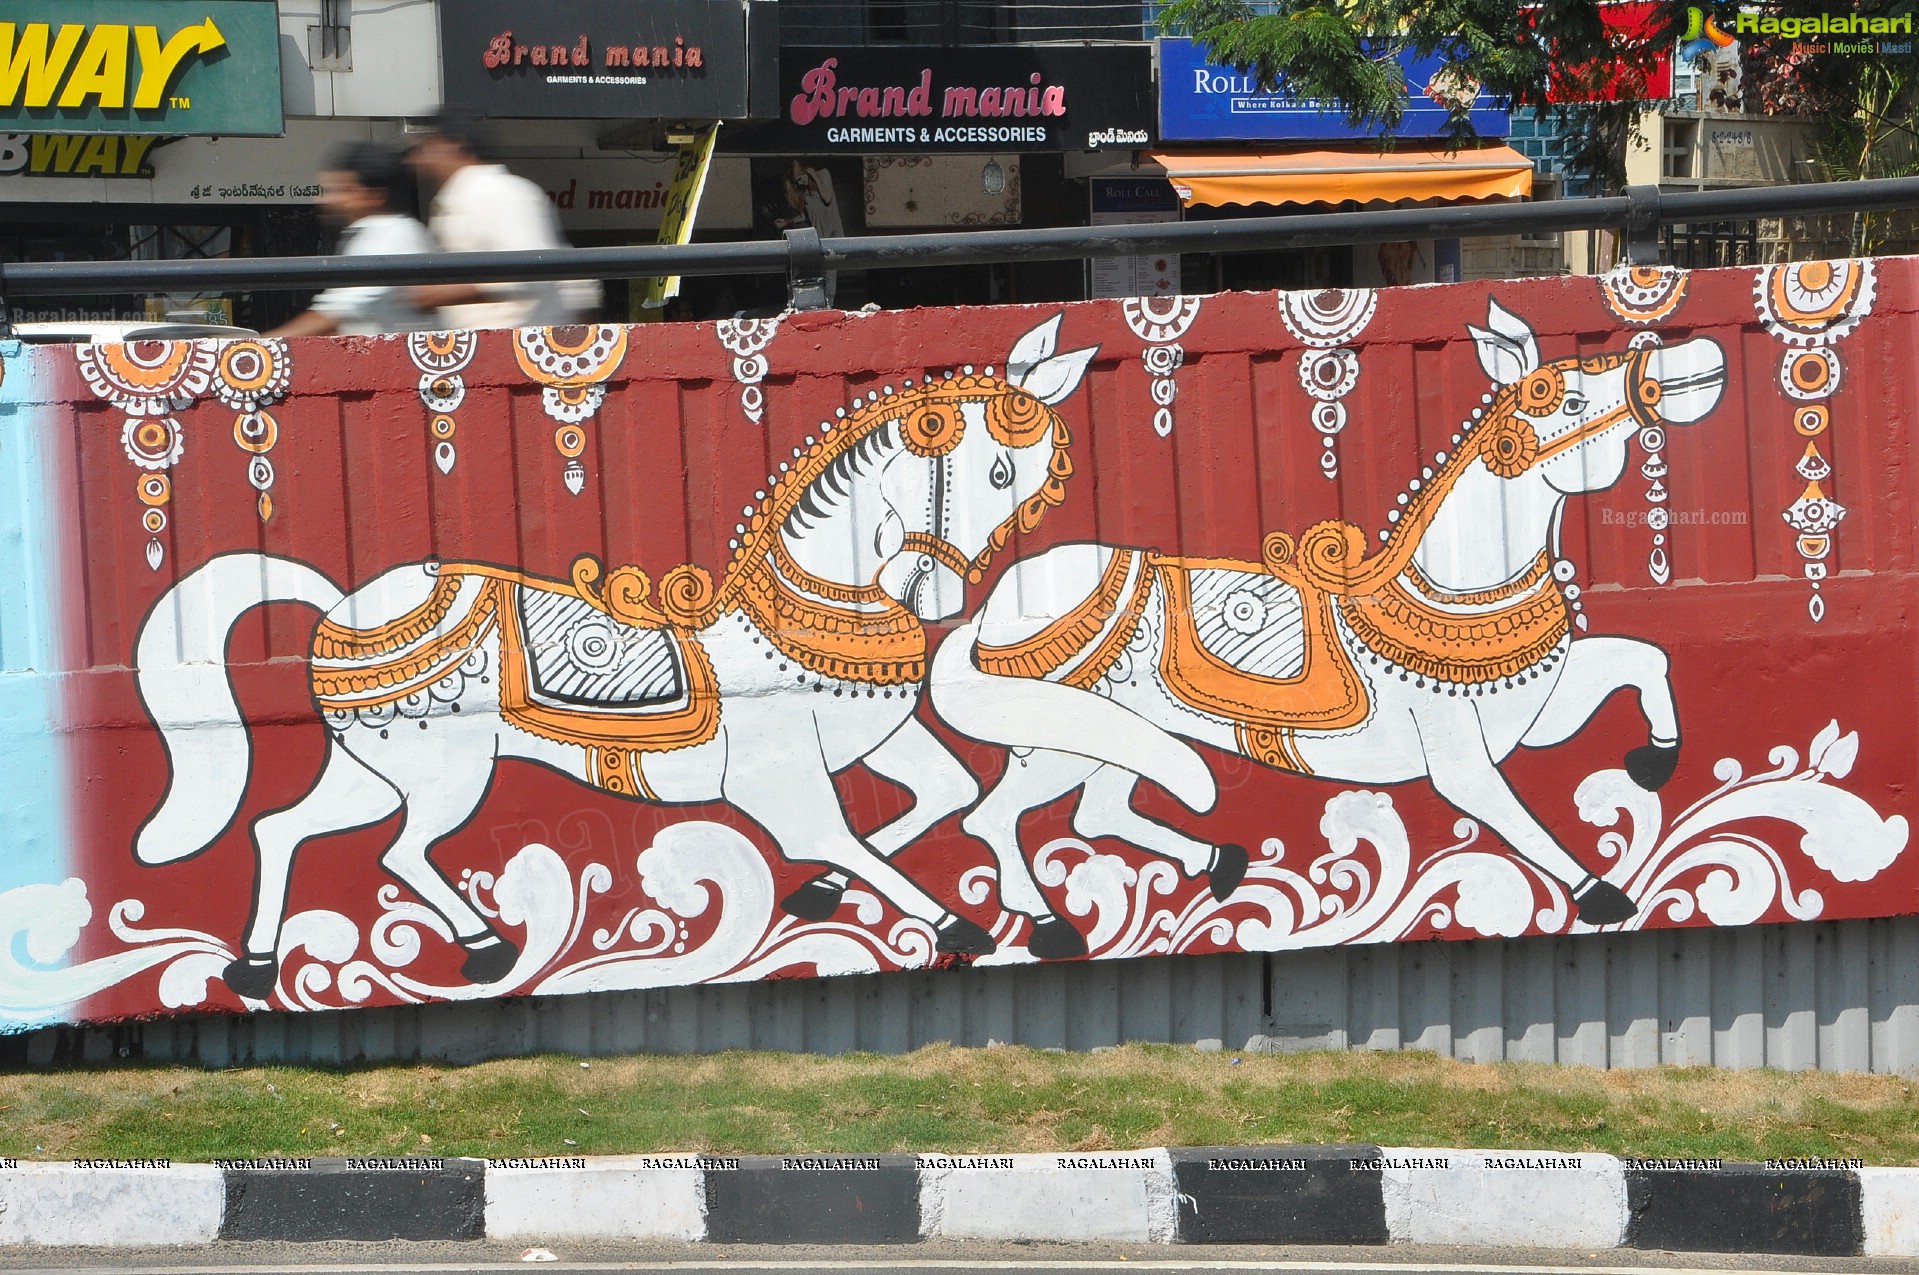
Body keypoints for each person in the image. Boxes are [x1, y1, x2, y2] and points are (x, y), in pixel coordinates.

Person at [405, 113, 599, 330]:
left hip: (519, 346)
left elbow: (530, 270)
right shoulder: (459, 197)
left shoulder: (500, 192)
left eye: (429, 145)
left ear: (455, 145)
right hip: (484, 346)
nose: (417, 158)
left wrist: (441, 294)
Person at [266, 143, 436, 338]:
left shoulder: (387, 235)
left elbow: (331, 317)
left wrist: (259, 346)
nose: (328, 200)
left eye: (343, 190)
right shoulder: (371, 233)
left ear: (374, 196)